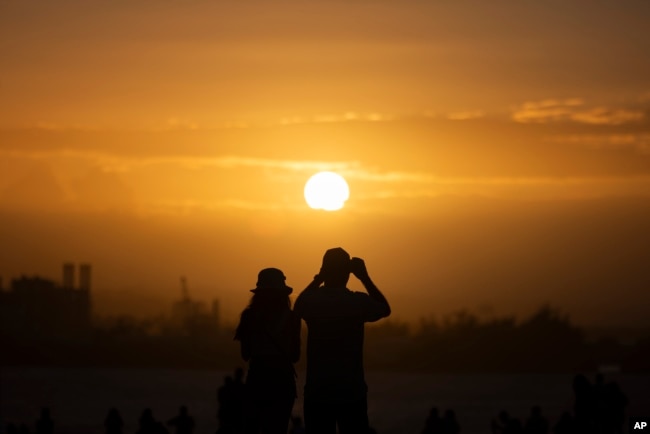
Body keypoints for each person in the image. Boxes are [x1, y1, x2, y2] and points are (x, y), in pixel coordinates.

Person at [294, 247, 391, 434]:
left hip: (318, 391)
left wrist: (319, 278)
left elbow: (298, 306)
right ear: (348, 274)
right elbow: (384, 309)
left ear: (324, 270)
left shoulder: (313, 302)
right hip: (351, 391)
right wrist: (364, 277)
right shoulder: (357, 303)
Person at [234, 268, 301, 434]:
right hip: (283, 381)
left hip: (257, 380)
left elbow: (245, 354)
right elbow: (295, 356)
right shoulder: (292, 318)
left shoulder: (249, 317)